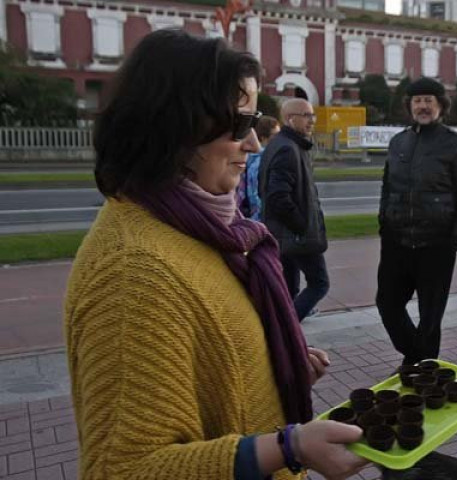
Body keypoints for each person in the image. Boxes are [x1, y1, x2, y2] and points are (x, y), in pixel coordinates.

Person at [68, 29, 366, 479]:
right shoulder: (133, 274)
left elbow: (209, 366)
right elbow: (124, 469)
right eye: (241, 125)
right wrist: (289, 447)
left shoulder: (203, 231)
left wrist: (275, 364)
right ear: (179, 130)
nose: (255, 145)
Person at [376, 77, 457, 366]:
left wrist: (455, 238)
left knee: (430, 315)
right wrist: (384, 223)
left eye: (428, 101)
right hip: (396, 242)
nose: (422, 106)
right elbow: (387, 186)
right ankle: (417, 357)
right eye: (417, 101)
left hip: (437, 244)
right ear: (409, 105)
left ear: (440, 106)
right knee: (387, 303)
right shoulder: (399, 142)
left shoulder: (455, 144)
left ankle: (421, 369)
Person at [259, 99, 329, 322]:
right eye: (306, 115)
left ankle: (281, 338)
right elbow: (277, 197)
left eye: (312, 115)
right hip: (296, 235)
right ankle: (284, 329)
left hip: (284, 234)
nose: (312, 120)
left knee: (289, 289)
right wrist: (301, 225)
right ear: (290, 119)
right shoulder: (288, 149)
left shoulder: (284, 144)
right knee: (319, 283)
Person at [237, 114, 280, 220]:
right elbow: (256, 197)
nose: (279, 140)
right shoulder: (261, 161)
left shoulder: (248, 159)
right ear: (263, 138)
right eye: (275, 135)